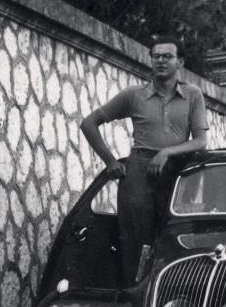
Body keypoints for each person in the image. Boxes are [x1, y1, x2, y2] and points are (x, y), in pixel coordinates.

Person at [80, 35, 208, 283]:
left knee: (174, 239)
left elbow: (200, 141)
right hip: (139, 173)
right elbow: (89, 123)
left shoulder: (193, 95)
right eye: (156, 56)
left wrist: (167, 152)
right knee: (136, 244)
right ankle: (134, 295)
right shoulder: (134, 95)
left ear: (180, 62)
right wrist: (110, 162)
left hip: (177, 174)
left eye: (167, 56)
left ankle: (170, 296)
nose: (161, 61)